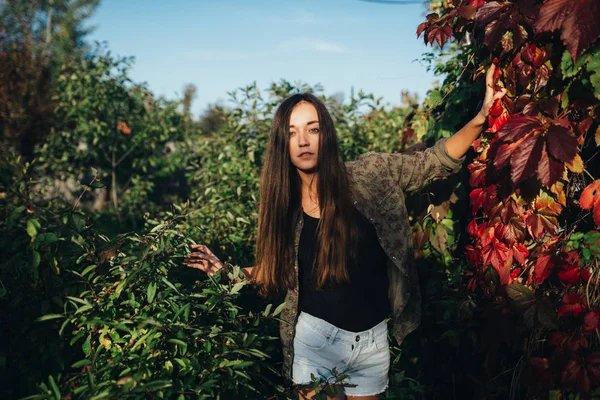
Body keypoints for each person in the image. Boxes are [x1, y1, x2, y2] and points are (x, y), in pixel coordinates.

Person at [185, 65, 506, 399]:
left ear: (327, 134)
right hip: (315, 342)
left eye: (313, 129)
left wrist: (483, 115)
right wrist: (226, 273)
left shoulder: (370, 174)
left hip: (371, 343)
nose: (304, 140)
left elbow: (434, 161)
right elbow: (273, 272)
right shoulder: (285, 207)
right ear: (283, 142)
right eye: (293, 132)